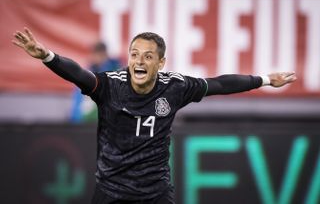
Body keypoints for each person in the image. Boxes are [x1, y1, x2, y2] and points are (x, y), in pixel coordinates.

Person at [12, 27, 296, 204]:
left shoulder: (175, 87)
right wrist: (47, 56)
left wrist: (266, 79)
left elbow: (220, 84)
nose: (139, 61)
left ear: (161, 63)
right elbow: (79, 75)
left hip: (155, 192)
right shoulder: (110, 85)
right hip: (111, 191)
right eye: (134, 54)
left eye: (148, 56)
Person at [70, 41, 122, 122]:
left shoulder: (115, 71)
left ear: (104, 54)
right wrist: (74, 119)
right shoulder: (87, 71)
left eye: (98, 54)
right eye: (94, 54)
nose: (95, 57)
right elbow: (78, 98)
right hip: (86, 121)